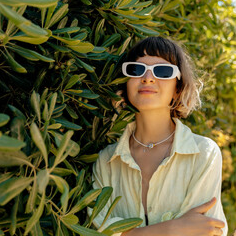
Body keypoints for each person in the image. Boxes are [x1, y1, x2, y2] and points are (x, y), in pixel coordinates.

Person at [87, 36, 228, 236]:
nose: (148, 78)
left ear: (178, 87)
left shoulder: (204, 154)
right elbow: (98, 232)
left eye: (163, 71)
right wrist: (173, 228)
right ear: (125, 82)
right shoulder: (106, 162)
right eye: (136, 69)